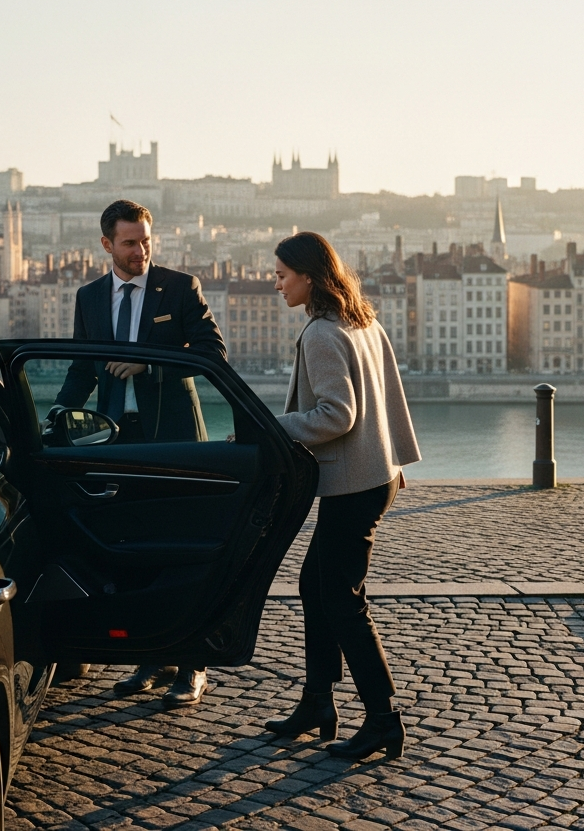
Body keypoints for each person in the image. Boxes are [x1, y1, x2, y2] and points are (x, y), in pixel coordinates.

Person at [49, 199, 226, 707]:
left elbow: (212, 353)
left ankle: (193, 665)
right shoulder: (89, 297)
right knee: (135, 549)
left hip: (172, 438)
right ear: (107, 244)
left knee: (183, 550)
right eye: (129, 242)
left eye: (146, 240)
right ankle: (152, 657)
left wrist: (149, 366)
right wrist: (55, 417)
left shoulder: (181, 286)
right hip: (116, 440)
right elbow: (82, 370)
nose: (140, 251)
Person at [264, 231, 420, 760]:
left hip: (353, 484)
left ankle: (383, 719)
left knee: (343, 600)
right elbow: (389, 398)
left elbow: (339, 414)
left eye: (283, 274)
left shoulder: (323, 334)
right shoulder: (362, 319)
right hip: (376, 477)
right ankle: (317, 702)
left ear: (308, 276)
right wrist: (396, 458)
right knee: (316, 585)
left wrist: (273, 426)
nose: (277, 283)